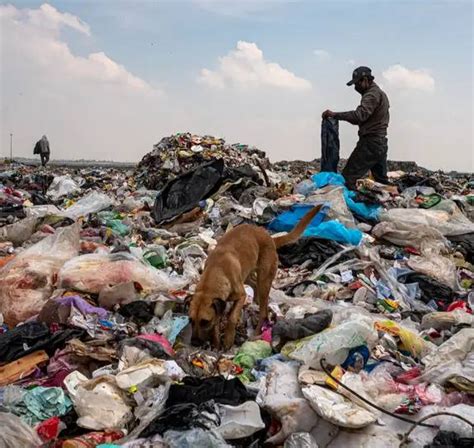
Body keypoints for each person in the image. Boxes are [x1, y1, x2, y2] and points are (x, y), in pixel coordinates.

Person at [322, 66, 390, 190]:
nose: (355, 88)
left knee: (348, 178)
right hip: (380, 144)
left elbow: (359, 116)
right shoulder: (380, 93)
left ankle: (347, 207)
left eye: (357, 83)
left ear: (365, 80)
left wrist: (335, 115)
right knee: (382, 182)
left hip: (370, 143)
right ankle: (393, 203)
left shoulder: (372, 95)